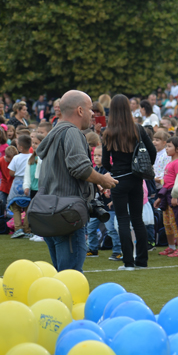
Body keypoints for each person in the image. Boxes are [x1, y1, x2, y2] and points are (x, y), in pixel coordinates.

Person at [35, 90, 118, 272]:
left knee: (60, 275)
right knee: (70, 276)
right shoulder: (72, 132)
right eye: (90, 109)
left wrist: (92, 182)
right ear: (80, 110)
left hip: (50, 212)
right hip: (68, 215)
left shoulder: (55, 131)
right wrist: (102, 179)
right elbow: (80, 168)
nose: (93, 114)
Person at [102, 94, 157, 271]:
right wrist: (143, 167)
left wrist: (114, 168)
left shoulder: (108, 132)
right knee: (137, 220)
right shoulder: (137, 129)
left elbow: (104, 161)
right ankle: (142, 261)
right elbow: (152, 151)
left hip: (118, 179)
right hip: (136, 179)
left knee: (123, 220)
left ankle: (128, 262)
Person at [154, 136, 178, 258]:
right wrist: (160, 198)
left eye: (169, 146)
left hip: (174, 195)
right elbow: (167, 182)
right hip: (166, 195)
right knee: (167, 222)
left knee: (176, 222)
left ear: (177, 149)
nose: (166, 149)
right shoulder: (170, 162)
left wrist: (176, 196)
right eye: (166, 146)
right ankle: (171, 247)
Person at [6, 134, 33, 239]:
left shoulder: (16, 158)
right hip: (28, 183)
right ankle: (27, 229)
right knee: (28, 208)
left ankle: (18, 229)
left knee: (16, 208)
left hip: (17, 184)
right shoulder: (33, 157)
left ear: (20, 147)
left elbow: (11, 173)